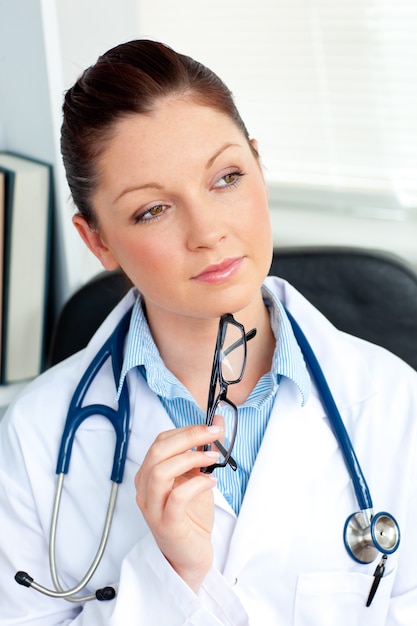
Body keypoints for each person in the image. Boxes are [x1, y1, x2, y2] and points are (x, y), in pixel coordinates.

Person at [0, 39, 417, 626]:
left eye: (225, 178)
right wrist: (167, 575)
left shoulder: (395, 403)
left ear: (259, 168)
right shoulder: (36, 438)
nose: (208, 231)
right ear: (98, 241)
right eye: (153, 210)